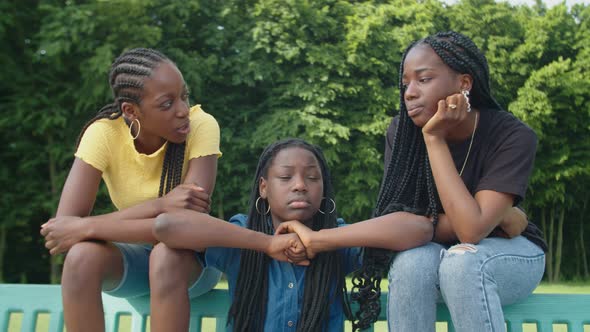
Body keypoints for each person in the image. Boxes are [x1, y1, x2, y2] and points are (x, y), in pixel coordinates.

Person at [277, 31, 547, 332]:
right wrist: (497, 217)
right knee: (409, 262)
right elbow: (406, 221)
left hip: (506, 255)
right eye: (405, 84)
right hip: (434, 254)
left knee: (462, 263)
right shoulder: (402, 134)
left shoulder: (511, 135)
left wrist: (434, 138)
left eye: (424, 79)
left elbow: (468, 231)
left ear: (464, 83)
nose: (410, 92)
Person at [40, 48, 222, 332]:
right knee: (80, 258)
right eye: (167, 104)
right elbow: (63, 229)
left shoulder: (201, 125)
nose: (183, 110)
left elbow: (188, 228)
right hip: (136, 260)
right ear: (131, 110)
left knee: (166, 256)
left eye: (184, 96)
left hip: (194, 261)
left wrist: (86, 228)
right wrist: (161, 206)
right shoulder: (103, 134)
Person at [153, 138, 361, 332]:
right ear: (264, 187)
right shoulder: (242, 235)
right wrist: (267, 243)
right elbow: (166, 225)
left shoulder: (337, 239)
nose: (300, 185)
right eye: (286, 177)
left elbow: (393, 238)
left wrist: (319, 241)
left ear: (324, 189)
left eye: (312, 177)